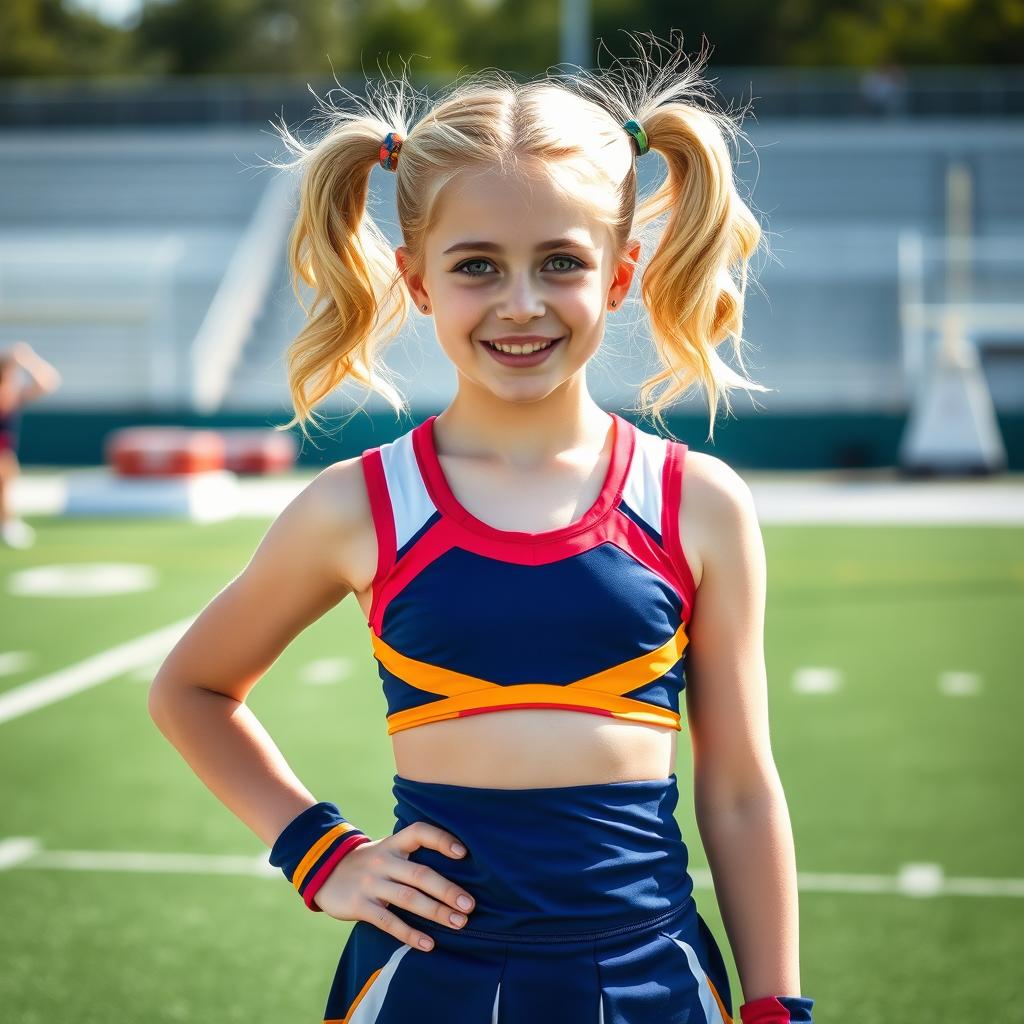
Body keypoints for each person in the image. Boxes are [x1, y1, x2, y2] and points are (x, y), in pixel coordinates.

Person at [148, 32, 815, 1024]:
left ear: (620, 274)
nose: (520, 304)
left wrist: (774, 1005)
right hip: (425, 983)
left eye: (559, 263)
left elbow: (740, 787)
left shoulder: (697, 500)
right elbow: (191, 689)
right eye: (476, 266)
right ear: (416, 280)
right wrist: (320, 853)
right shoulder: (358, 503)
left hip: (657, 980)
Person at [0, 341, 62, 550]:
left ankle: (8, 524)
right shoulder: (8, 393)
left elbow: (48, 382)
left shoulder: (14, 392)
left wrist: (29, 360)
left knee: (5, 483)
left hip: (5, 449)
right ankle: (8, 525)